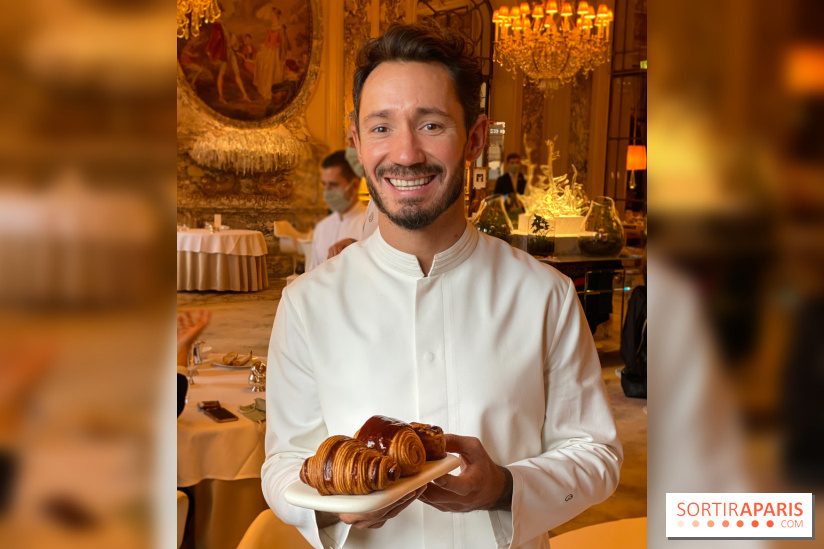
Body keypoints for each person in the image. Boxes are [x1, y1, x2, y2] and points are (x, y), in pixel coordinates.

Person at [262, 23, 621, 549]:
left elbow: (595, 454)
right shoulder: (306, 303)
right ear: (356, 143)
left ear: (474, 138)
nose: (406, 154)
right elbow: (284, 463)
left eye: (431, 125)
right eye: (381, 128)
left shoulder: (546, 296)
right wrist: (341, 509)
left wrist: (503, 487)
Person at [306, 151, 367, 271]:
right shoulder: (322, 227)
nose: (327, 191)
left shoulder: (370, 224)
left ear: (354, 185)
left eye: (333, 185)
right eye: (324, 184)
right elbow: (312, 273)